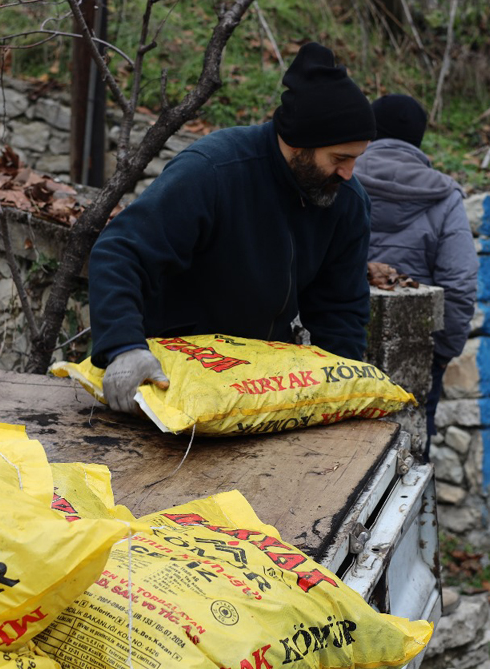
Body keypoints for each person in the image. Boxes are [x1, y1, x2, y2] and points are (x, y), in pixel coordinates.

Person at [89, 43, 377, 413]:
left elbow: (341, 310)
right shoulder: (213, 171)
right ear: (299, 144)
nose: (349, 173)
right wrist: (124, 346)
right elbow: (122, 251)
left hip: (258, 380)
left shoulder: (346, 199)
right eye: (340, 158)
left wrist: (343, 391)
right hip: (169, 370)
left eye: (356, 159)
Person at [353, 94, 476, 457]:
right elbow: (459, 282)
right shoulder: (443, 195)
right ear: (419, 139)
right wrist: (441, 354)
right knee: (409, 461)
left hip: (341, 348)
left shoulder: (342, 176)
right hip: (418, 352)